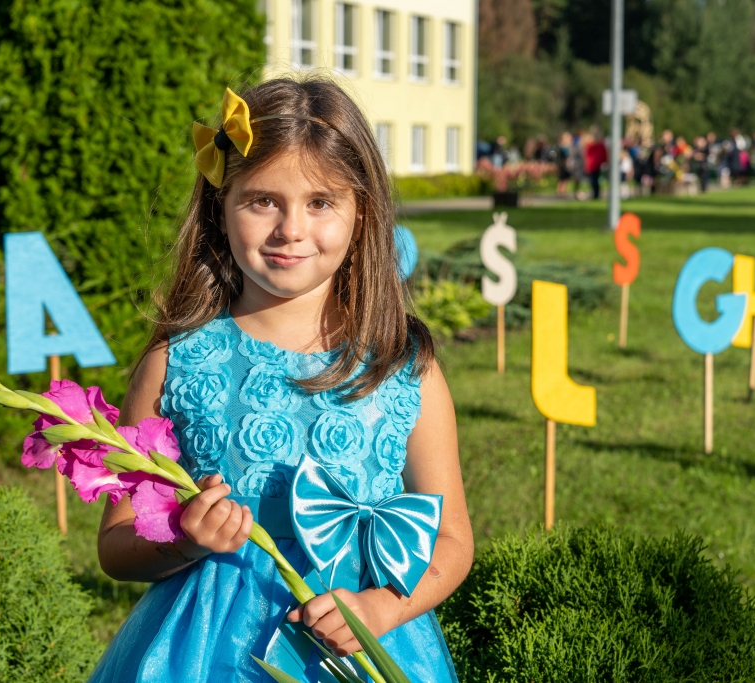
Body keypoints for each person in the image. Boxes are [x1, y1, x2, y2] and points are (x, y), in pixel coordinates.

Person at [89, 78, 474, 683]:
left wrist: (380, 606)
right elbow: (115, 544)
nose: (290, 228)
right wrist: (184, 541)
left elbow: (452, 540)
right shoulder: (175, 360)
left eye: (321, 202)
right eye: (262, 200)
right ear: (221, 202)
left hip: (360, 653)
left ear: (361, 211)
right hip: (204, 656)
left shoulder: (402, 365)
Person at [583, 127, 609, 200]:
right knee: (594, 180)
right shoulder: (596, 145)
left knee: (594, 180)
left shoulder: (593, 145)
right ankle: (596, 193)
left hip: (594, 164)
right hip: (595, 164)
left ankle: (596, 194)